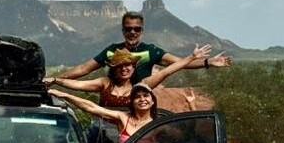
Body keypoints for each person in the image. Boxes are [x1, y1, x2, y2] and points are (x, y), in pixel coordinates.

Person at [55, 11, 231, 84]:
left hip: (140, 104)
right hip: (112, 105)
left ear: (142, 31)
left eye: (136, 29)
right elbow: (84, 68)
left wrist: (208, 62)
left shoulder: (151, 51)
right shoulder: (111, 51)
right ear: (123, 30)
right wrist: (56, 79)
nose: (132, 32)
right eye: (128, 29)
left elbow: (180, 63)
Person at [45, 45, 212, 107]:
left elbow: (168, 70)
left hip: (131, 135)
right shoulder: (104, 83)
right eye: (120, 66)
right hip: (103, 131)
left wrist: (192, 57)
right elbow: (78, 85)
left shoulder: (141, 85)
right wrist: (55, 80)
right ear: (114, 68)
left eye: (128, 65)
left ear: (133, 67)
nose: (124, 69)